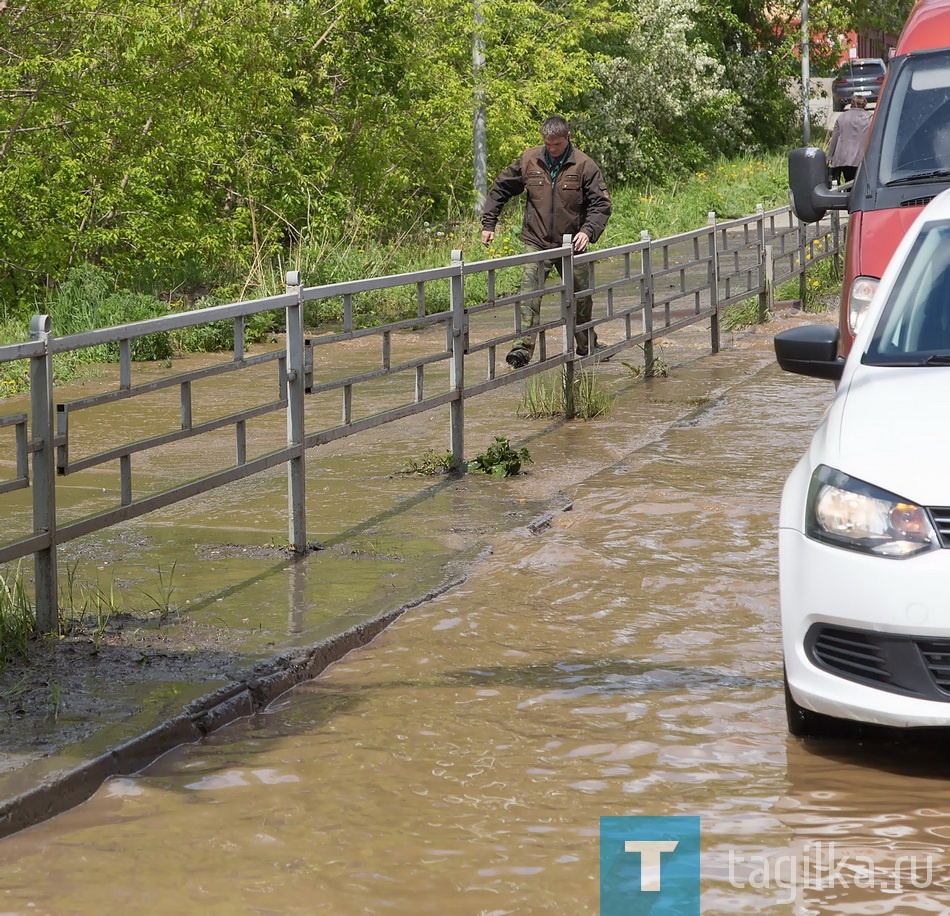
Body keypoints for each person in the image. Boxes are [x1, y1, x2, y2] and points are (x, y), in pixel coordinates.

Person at [481, 116, 612, 369]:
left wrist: (587, 231)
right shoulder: (529, 160)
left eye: (558, 145)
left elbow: (601, 204)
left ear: (568, 138)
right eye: (548, 144)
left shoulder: (584, 165)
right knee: (529, 295)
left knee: (580, 297)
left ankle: (586, 345)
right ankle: (521, 350)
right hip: (536, 240)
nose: (552, 149)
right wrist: (489, 223)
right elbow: (501, 188)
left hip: (572, 244)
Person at [828, 95, 873, 186]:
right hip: (862, 159)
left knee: (848, 181)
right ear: (864, 105)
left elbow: (835, 138)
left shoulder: (842, 117)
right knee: (861, 184)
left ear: (851, 104)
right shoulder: (870, 117)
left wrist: (830, 156)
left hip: (843, 159)